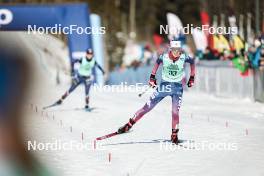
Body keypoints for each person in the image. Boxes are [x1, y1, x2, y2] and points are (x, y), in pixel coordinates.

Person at [117, 40, 195, 144]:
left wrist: (192, 78)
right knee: (147, 107)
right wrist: (152, 78)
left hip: (177, 89)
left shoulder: (184, 57)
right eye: (175, 50)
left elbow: (192, 62)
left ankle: (174, 135)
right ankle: (128, 125)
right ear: (171, 50)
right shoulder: (164, 57)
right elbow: (155, 66)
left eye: (179, 50)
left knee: (175, 112)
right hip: (164, 87)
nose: (177, 52)